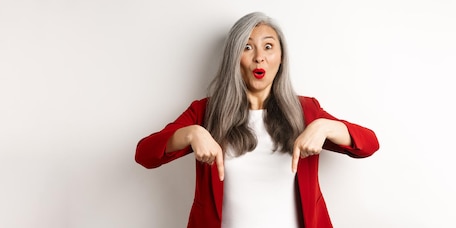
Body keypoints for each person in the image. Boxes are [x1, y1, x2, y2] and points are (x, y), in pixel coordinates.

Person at [135, 12, 380, 228]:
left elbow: (369, 145)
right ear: (234, 57)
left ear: (281, 57)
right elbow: (144, 154)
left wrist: (326, 127)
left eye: (268, 46)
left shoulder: (306, 110)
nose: (259, 57)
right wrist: (191, 133)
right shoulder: (206, 112)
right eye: (247, 47)